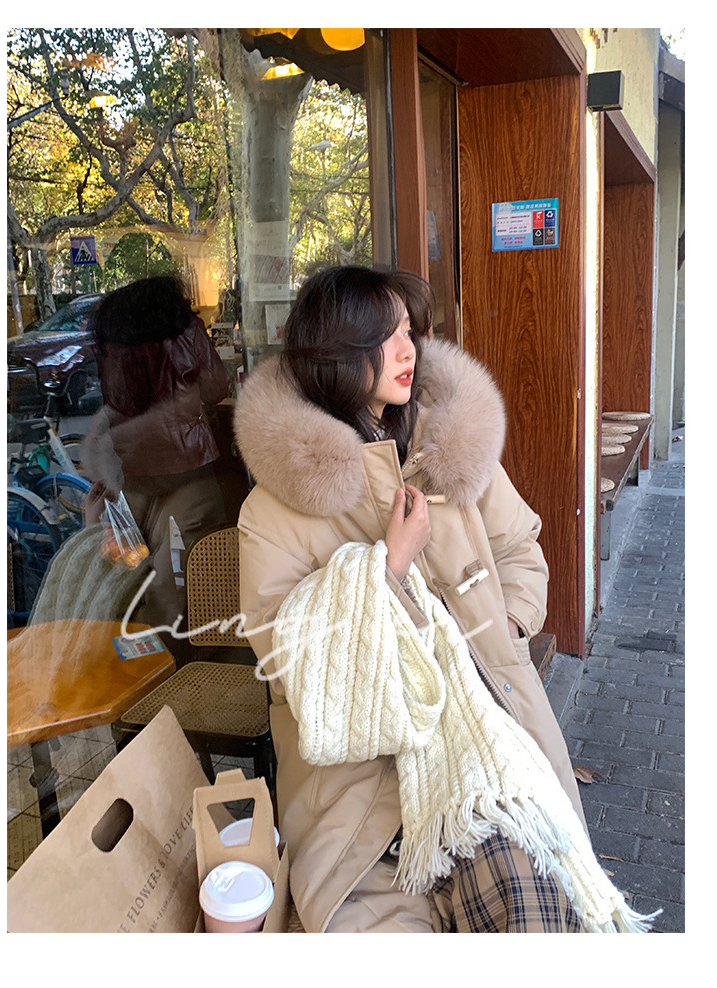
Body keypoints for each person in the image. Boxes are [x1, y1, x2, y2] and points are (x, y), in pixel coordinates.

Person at [234, 266, 656, 934]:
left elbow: (520, 550)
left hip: (487, 732)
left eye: (410, 331)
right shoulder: (272, 509)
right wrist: (389, 567)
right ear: (336, 355)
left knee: (539, 904)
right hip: (363, 785)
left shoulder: (449, 448)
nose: (409, 350)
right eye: (386, 338)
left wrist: (505, 630)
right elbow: (288, 664)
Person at [81, 275, 231, 650]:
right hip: (189, 468)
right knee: (173, 589)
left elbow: (115, 401)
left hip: (131, 473)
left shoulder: (115, 337)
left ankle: (128, 661)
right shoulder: (188, 330)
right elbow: (217, 389)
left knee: (124, 573)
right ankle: (162, 665)